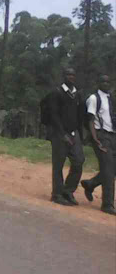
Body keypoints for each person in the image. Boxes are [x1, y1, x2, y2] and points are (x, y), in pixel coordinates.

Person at [48, 68, 85, 206]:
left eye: (73, 75)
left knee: (79, 161)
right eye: (68, 74)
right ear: (63, 76)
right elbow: (53, 115)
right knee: (58, 164)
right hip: (59, 134)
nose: (71, 77)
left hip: (74, 133)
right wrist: (62, 134)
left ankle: (68, 191)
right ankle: (57, 194)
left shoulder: (77, 94)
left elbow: (80, 115)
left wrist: (80, 133)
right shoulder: (57, 93)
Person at [80, 75, 115, 216]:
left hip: (112, 135)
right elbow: (90, 120)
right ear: (98, 83)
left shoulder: (110, 98)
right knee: (108, 171)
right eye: (103, 81)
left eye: (108, 81)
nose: (106, 84)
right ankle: (107, 204)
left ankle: (90, 184)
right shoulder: (94, 98)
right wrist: (96, 140)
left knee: (112, 169)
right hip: (101, 136)